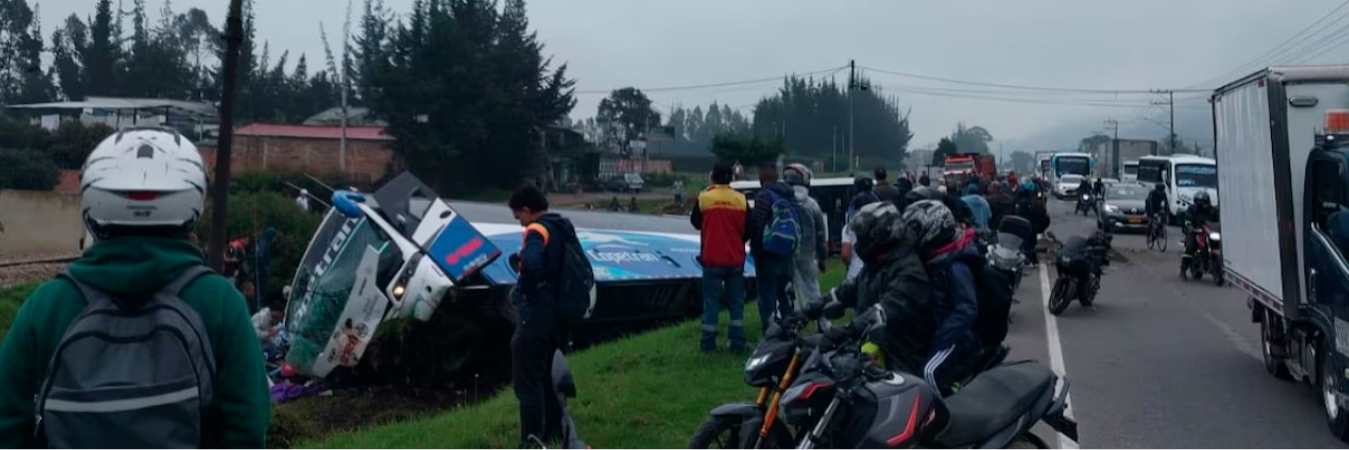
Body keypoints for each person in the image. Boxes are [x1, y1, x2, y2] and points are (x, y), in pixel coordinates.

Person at [0, 128, 269, 447]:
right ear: (192, 203)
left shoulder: (46, 306)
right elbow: (248, 426)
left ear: (92, 201)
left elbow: (8, 421)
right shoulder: (221, 303)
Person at [820, 202, 935, 378]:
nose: (860, 241)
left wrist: (846, 330)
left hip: (902, 358)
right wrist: (810, 309)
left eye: (864, 235)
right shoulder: (877, 264)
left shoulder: (910, 271)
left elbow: (885, 310)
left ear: (881, 234)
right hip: (876, 348)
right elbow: (849, 290)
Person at [509, 183, 582, 447]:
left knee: (527, 378)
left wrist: (524, 291)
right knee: (550, 375)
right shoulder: (560, 227)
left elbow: (530, 264)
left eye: (519, 217)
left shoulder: (536, 230)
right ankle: (553, 431)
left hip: (538, 314)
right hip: (559, 315)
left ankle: (530, 440)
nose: (520, 223)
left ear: (527, 211)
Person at [903, 199, 984, 396]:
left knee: (928, 374)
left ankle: (948, 423)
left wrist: (941, 339)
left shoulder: (955, 264)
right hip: (941, 330)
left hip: (957, 339)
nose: (911, 236)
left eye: (916, 230)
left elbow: (967, 309)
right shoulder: (935, 259)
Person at [690, 162, 750, 353]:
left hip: (712, 259)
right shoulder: (740, 200)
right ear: (731, 178)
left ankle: (708, 344)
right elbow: (748, 229)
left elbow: (695, 223)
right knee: (736, 303)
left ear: (713, 177)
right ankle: (737, 342)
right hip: (734, 260)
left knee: (711, 303)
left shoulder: (704, 198)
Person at [747, 162, 796, 331]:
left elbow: (758, 225)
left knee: (767, 298)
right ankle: (790, 331)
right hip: (787, 254)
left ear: (761, 177)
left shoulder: (763, 196)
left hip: (768, 256)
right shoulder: (790, 195)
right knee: (786, 296)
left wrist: (756, 253)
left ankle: (770, 334)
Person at [783, 164, 828, 310]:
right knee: (812, 290)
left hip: (785, 254)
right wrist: (822, 258)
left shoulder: (781, 201)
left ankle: (790, 322)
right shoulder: (812, 204)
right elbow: (821, 235)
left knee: (787, 291)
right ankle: (820, 321)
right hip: (807, 255)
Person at [841, 188, 881, 282]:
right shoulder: (879, 225)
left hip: (855, 274)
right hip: (875, 276)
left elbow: (845, 255)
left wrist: (848, 265)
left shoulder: (849, 227)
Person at [1180, 190, 1219, 276]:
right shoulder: (1191, 209)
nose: (1202, 205)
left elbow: (1218, 220)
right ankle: (1183, 268)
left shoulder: (1213, 210)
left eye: (1204, 202)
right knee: (1191, 246)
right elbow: (1187, 219)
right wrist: (1190, 226)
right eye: (1199, 202)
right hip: (1195, 231)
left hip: (1209, 232)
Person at [253, 226, 278, 313]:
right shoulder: (264, 244)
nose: (275, 239)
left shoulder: (264, 243)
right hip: (261, 275)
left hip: (261, 274)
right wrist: (265, 268)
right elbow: (260, 256)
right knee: (260, 294)